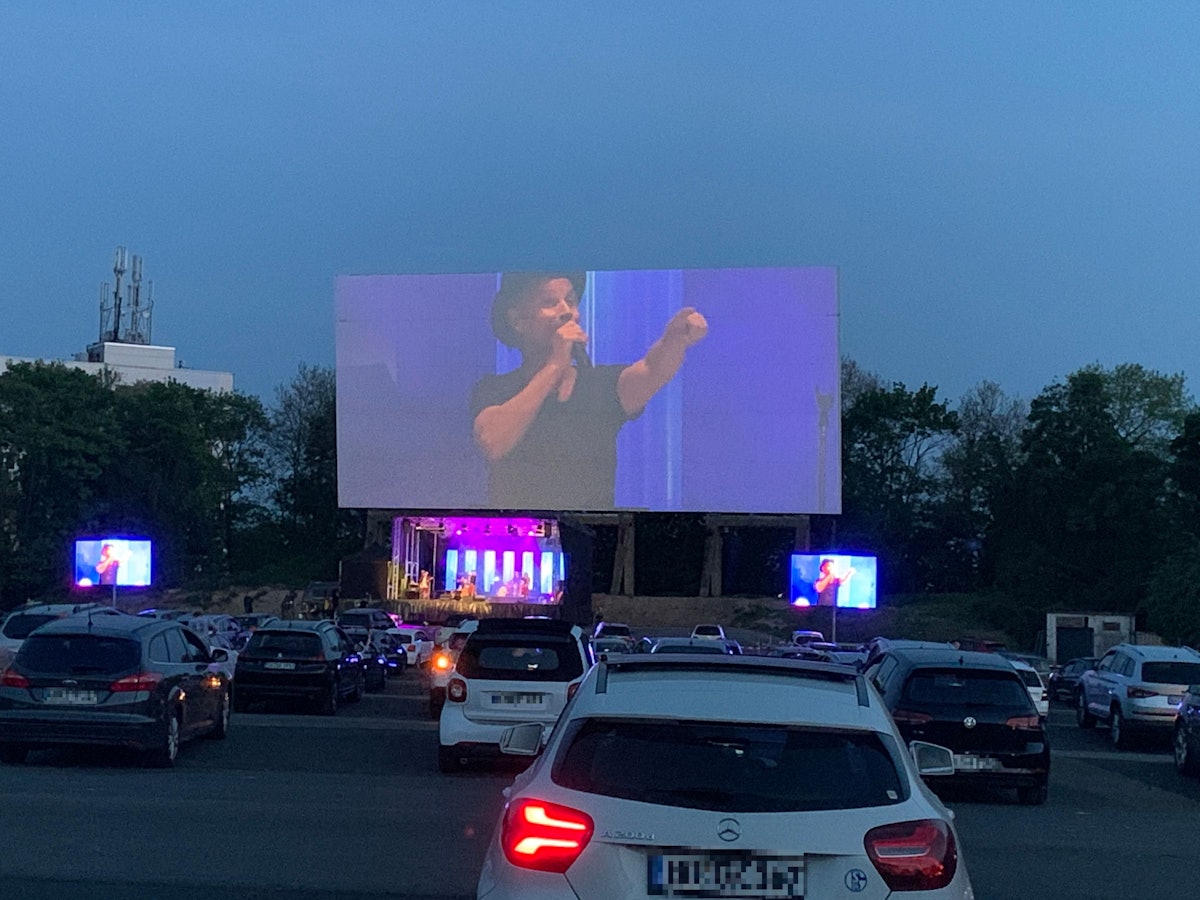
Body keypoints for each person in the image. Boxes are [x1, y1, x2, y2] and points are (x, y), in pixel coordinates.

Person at [471, 272, 708, 508]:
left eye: (571, 301)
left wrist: (676, 339)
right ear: (518, 321)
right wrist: (555, 364)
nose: (566, 311)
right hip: (518, 538)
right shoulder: (495, 389)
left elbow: (651, 370)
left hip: (591, 538)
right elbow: (493, 441)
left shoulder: (601, 386)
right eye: (550, 303)